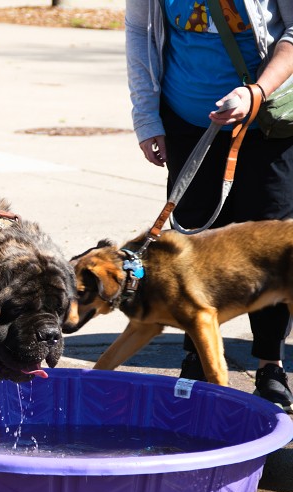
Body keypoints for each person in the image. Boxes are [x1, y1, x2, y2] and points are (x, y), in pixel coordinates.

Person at [126, 0, 293, 412]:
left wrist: (257, 91)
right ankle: (198, 356)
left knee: (269, 246)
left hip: (266, 122)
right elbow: (140, 34)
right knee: (193, 245)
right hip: (186, 122)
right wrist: (147, 118)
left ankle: (269, 364)